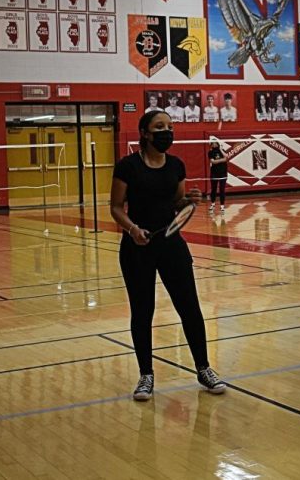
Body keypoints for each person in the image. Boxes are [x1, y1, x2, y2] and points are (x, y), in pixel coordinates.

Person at [110, 111, 226, 401]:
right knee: (142, 311)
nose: (167, 132)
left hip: (172, 245)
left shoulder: (176, 165)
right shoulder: (128, 166)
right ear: (145, 133)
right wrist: (133, 230)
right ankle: (146, 375)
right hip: (138, 247)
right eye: (160, 127)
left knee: (190, 308)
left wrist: (190, 200)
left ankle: (204, 369)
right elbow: (115, 207)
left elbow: (176, 202)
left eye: (170, 127)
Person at [208, 139, 228, 213]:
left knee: (222, 190)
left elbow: (226, 157)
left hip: (223, 174)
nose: (214, 145)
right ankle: (212, 204)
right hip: (214, 174)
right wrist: (222, 160)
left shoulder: (221, 150)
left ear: (218, 144)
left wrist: (221, 150)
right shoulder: (210, 152)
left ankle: (222, 206)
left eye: (215, 143)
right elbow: (213, 161)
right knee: (213, 190)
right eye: (212, 143)